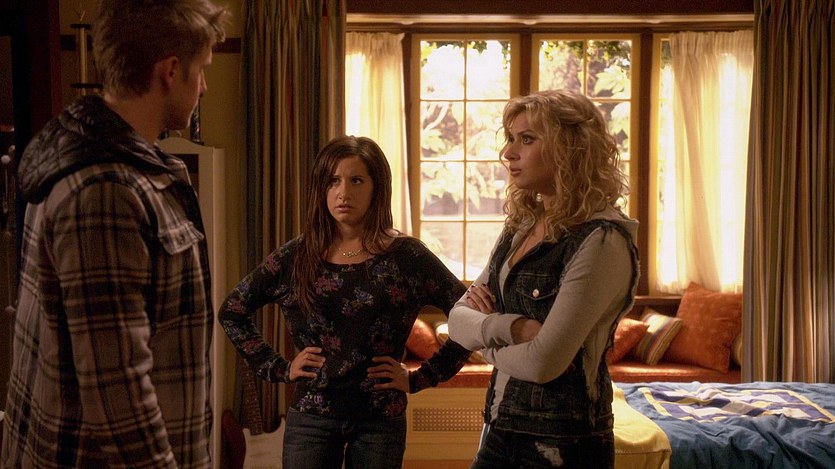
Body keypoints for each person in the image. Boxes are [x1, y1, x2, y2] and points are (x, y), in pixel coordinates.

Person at [1, 1, 229, 467]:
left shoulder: (123, 167)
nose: (204, 86)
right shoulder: (106, 190)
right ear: (171, 71)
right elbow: (119, 398)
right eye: (202, 69)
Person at [218, 135, 471, 469]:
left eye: (356, 181)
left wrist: (422, 377)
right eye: (333, 181)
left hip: (380, 420)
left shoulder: (407, 257)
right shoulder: (297, 256)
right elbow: (232, 311)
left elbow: (471, 317)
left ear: (377, 188)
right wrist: (279, 367)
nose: (343, 192)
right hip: (312, 417)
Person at [447, 89, 640, 469]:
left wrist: (481, 340)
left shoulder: (602, 240)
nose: (508, 153)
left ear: (569, 148)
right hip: (500, 427)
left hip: (564, 443)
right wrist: (513, 328)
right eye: (510, 138)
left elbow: (542, 364)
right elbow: (456, 321)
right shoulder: (520, 226)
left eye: (527, 139)